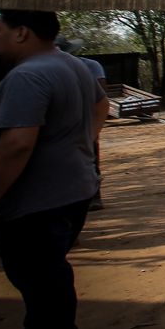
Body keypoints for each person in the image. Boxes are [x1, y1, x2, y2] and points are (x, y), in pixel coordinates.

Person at [0, 9, 107, 329]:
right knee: (42, 276)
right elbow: (102, 106)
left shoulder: (29, 75)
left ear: (22, 32)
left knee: (40, 277)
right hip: (71, 190)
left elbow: (16, 143)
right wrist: (78, 145)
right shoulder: (75, 66)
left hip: (37, 199)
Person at [58, 37, 107, 210]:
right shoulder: (48, 70)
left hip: (85, 121)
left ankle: (94, 195)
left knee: (90, 157)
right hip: (60, 124)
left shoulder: (90, 66)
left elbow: (101, 96)